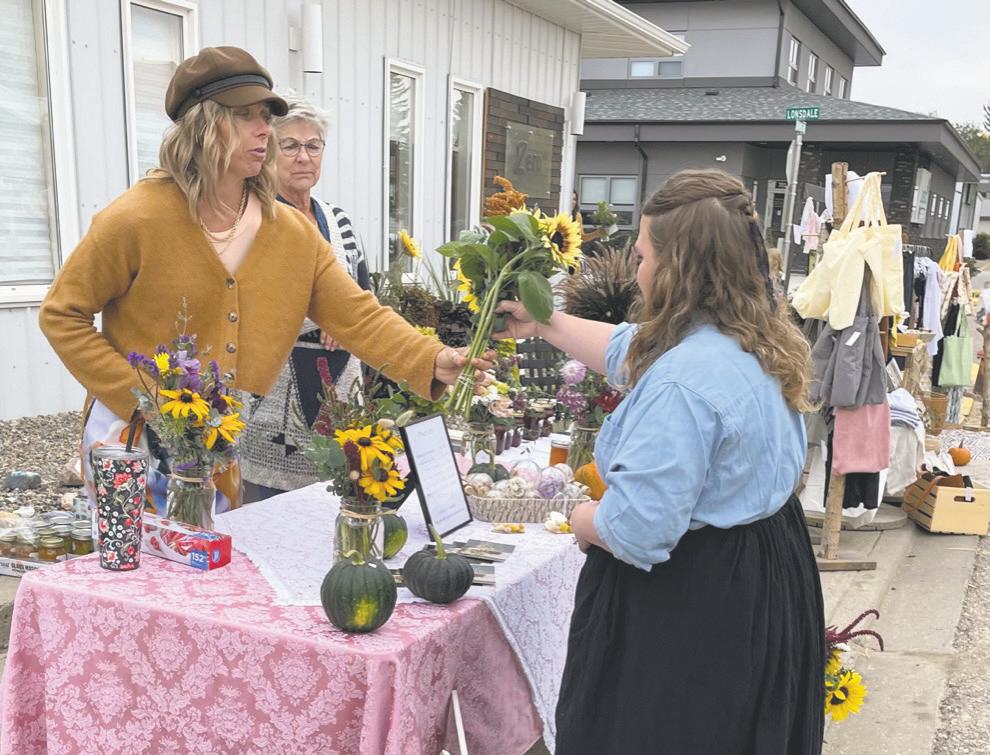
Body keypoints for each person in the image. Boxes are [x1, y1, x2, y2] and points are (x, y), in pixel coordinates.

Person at [39, 47, 490, 513]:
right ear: (202, 125)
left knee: (211, 552)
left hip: (219, 436)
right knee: (135, 560)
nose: (263, 130)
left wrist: (432, 359)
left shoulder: (290, 231)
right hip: (128, 436)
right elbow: (62, 315)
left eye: (265, 116)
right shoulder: (135, 218)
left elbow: (357, 315)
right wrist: (141, 397)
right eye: (245, 116)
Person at [497, 169, 825, 753]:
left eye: (644, 256)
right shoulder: (748, 339)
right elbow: (629, 350)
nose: (638, 270)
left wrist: (575, 518)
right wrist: (544, 321)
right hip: (765, 568)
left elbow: (638, 530)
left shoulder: (683, 382)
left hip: (693, 600)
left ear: (677, 267)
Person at [238, 94, 371, 502]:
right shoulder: (254, 219)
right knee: (268, 509)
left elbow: (365, 295)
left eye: (313, 146)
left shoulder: (338, 220)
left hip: (342, 389)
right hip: (274, 395)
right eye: (290, 145)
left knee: (341, 499)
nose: (303, 157)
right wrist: (328, 317)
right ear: (269, 152)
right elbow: (244, 304)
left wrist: (349, 323)